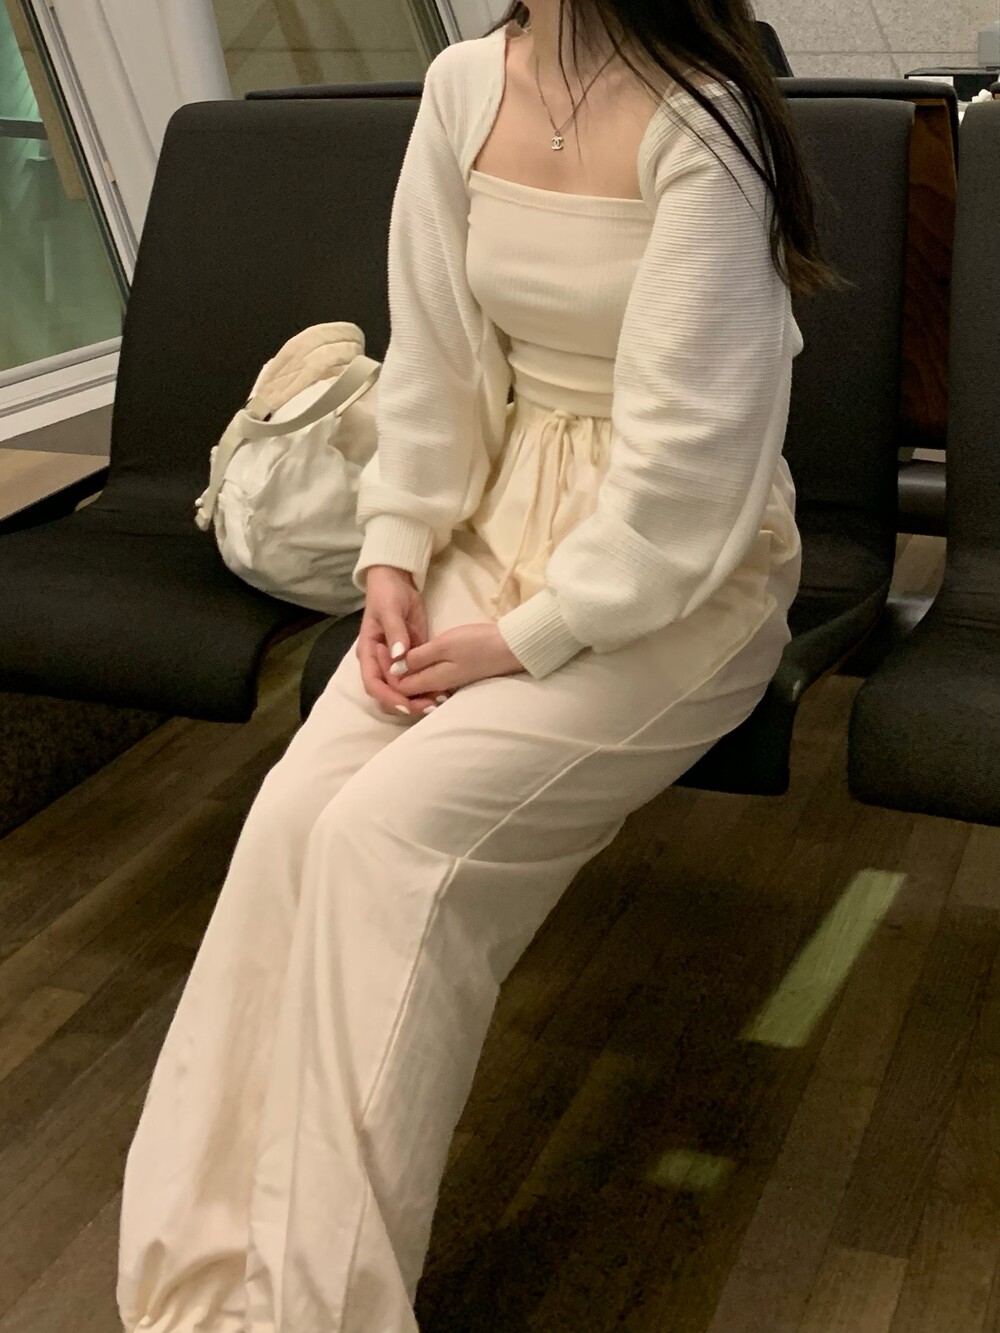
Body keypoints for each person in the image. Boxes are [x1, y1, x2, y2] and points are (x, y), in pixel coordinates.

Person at [116, 2, 840, 1330]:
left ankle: (321, 1312)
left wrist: (527, 638)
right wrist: (394, 548)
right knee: (292, 820)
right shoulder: (462, 86)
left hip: (681, 583)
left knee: (387, 839)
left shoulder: (703, 123)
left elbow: (695, 468)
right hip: (493, 524)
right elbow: (438, 361)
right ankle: (199, 1286)